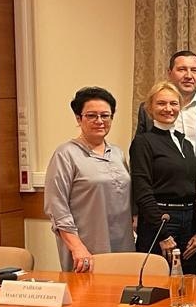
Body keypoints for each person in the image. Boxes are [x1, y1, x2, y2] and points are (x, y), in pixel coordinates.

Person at [44, 87, 135, 272]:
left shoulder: (117, 153)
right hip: (86, 251)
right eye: (91, 115)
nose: (99, 121)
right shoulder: (65, 154)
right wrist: (76, 246)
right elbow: (56, 207)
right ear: (79, 119)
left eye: (105, 115)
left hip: (123, 246)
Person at [129, 80, 196, 273]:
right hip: (160, 220)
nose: (168, 109)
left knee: (188, 281)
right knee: (158, 280)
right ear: (149, 108)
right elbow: (142, 191)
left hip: (188, 221)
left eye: (173, 103)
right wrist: (162, 234)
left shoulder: (185, 144)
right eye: (161, 103)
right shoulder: (143, 142)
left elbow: (195, 188)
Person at [136, 50, 196, 163]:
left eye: (194, 70)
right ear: (169, 73)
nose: (188, 76)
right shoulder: (150, 108)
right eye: (182, 69)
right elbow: (139, 153)